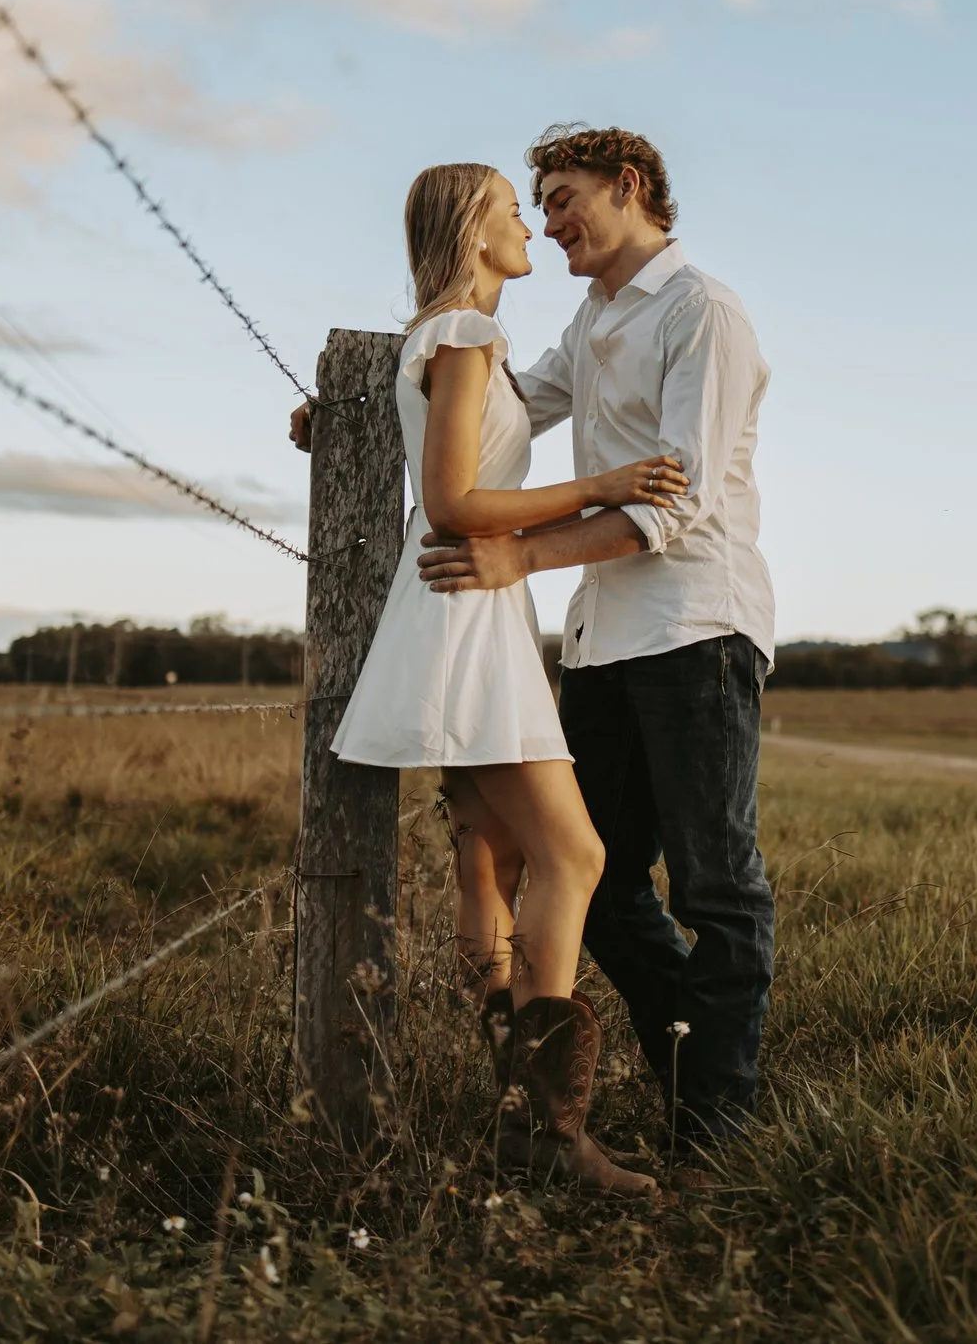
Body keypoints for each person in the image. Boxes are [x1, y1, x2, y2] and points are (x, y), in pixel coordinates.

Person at [302, 161, 682, 1196]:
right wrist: (601, 485)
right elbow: (457, 500)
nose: (531, 226)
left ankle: (522, 1118)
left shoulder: (444, 339)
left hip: (463, 611)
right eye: (517, 211)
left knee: (492, 864)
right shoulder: (466, 337)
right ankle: (547, 1133)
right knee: (575, 852)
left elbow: (443, 468)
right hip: (466, 610)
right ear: (476, 230)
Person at [417, 124, 775, 1158]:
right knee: (600, 877)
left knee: (716, 887)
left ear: (630, 187)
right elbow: (504, 400)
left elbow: (683, 502)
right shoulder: (596, 314)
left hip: (695, 626)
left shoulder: (701, 310)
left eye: (564, 196)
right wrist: (373, 401)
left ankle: (715, 1137)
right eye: (539, 202)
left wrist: (518, 557)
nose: (550, 220)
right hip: (604, 638)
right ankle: (702, 1073)